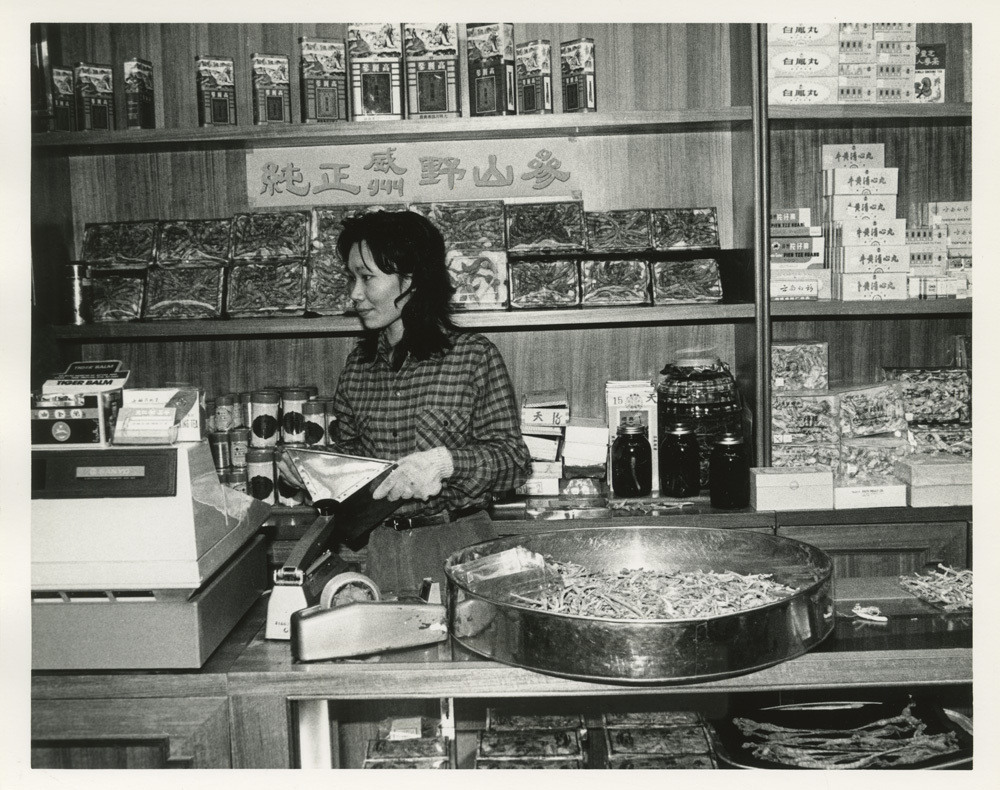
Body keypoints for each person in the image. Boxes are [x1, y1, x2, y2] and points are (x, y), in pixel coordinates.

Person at [287, 209, 530, 599]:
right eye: (353, 278)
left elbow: (514, 462)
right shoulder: (359, 365)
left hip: (460, 545)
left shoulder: (472, 356)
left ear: (411, 280)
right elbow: (353, 461)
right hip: (380, 549)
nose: (355, 294)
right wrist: (314, 470)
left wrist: (445, 463)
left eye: (367, 278)